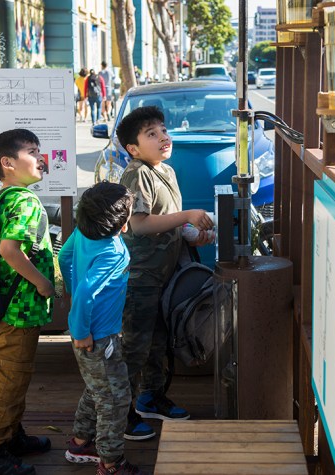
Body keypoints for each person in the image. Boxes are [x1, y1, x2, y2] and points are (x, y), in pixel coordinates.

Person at [116, 106, 214, 440]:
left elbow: (169, 218)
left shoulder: (166, 171)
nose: (163, 137)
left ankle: (150, 397)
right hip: (140, 276)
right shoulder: (136, 173)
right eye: (151, 134)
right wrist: (187, 215)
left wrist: (192, 233)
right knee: (135, 345)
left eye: (163, 129)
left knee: (158, 341)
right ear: (133, 148)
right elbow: (140, 224)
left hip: (165, 274)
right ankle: (121, 414)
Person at [0, 129, 55, 475]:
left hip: (6, 307)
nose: (41, 158)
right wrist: (43, 284)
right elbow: (10, 250)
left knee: (14, 377)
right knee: (9, 382)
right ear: (7, 163)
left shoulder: (2, 197)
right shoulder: (24, 201)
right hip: (17, 310)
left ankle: (10, 436)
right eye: (32, 152)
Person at [58, 182, 146, 475]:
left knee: (99, 387)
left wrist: (77, 313)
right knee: (116, 399)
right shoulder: (113, 252)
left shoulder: (84, 232)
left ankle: (81, 442)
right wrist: (81, 328)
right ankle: (111, 462)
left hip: (88, 333)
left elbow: (65, 257)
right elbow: (85, 292)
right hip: (98, 337)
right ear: (121, 224)